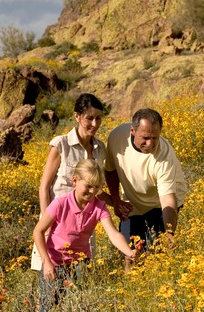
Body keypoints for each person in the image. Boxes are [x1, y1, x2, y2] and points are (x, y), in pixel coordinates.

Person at [33, 159, 138, 311]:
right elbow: (38, 231)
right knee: (48, 306)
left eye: (96, 187)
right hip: (54, 263)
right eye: (88, 186)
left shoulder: (99, 207)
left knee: (77, 305)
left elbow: (113, 234)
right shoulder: (60, 203)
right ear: (74, 180)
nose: (91, 191)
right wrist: (46, 262)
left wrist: (128, 251)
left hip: (80, 264)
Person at [31, 93, 111, 270]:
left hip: (83, 225)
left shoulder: (99, 149)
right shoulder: (62, 144)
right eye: (89, 118)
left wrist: (117, 203)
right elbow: (44, 187)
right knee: (50, 274)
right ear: (77, 116)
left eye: (98, 118)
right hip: (56, 222)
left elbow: (95, 189)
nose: (94, 124)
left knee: (78, 279)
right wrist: (47, 223)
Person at [105, 108, 187, 251]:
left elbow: (168, 201)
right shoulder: (117, 137)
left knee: (156, 250)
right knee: (129, 251)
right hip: (133, 201)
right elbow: (111, 170)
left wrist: (169, 233)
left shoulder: (164, 157)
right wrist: (116, 200)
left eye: (155, 138)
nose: (150, 144)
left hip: (160, 204)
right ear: (132, 131)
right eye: (145, 138)